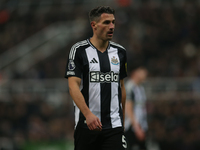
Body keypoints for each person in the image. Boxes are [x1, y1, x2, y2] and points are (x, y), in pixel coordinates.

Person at [65, 6, 127, 150]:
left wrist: (122, 120)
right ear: (94, 25)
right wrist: (88, 114)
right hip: (87, 125)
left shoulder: (120, 52)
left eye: (113, 22)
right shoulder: (78, 51)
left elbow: (121, 87)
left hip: (114, 126)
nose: (111, 26)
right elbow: (73, 86)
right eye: (106, 23)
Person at [124, 67, 148, 150]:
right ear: (135, 73)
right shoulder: (130, 87)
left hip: (140, 125)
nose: (145, 73)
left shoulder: (140, 88)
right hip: (130, 126)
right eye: (142, 71)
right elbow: (128, 108)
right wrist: (136, 127)